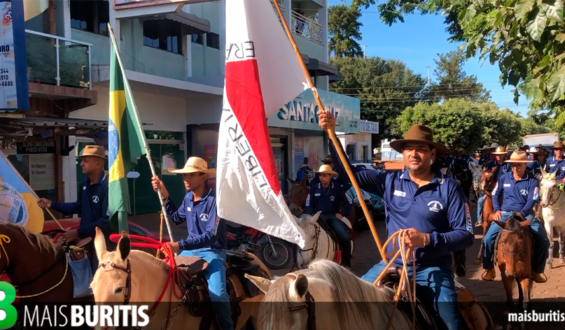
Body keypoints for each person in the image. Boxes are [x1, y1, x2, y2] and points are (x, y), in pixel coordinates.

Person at [319, 111, 473, 330]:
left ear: (432, 154)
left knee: (450, 326)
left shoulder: (448, 188)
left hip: (432, 269)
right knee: (349, 306)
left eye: (420, 149)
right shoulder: (388, 182)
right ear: (403, 153)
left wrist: (428, 239)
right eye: (409, 148)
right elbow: (347, 173)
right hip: (391, 263)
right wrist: (331, 133)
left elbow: (465, 235)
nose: (414, 154)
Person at [151, 156, 233, 330]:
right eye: (184, 176)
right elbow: (175, 217)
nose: (186, 179)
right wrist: (164, 193)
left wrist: (180, 245)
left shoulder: (216, 201)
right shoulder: (188, 198)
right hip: (190, 252)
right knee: (164, 278)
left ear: (203, 177)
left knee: (218, 295)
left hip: (213, 252)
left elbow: (211, 235)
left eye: (191, 175)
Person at [38, 145, 110, 270]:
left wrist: (77, 232)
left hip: (103, 246)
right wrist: (52, 204)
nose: (81, 164)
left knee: (98, 280)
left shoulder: (108, 185)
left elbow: (106, 221)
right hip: (85, 243)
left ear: (98, 163)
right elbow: (78, 207)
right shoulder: (85, 182)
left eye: (85, 161)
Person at [481, 151, 550, 283]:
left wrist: (522, 213)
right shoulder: (504, 178)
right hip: (505, 213)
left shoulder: (533, 181)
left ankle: (537, 271)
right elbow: (495, 194)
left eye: (518, 165)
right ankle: (489, 268)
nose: (515, 168)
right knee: (488, 238)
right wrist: (496, 210)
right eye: (513, 165)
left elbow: (532, 200)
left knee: (544, 241)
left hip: (525, 214)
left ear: (525, 165)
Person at [305, 164, 353, 268]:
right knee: (304, 235)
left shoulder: (337, 188)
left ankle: (346, 263)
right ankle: (298, 262)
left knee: (345, 237)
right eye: (320, 175)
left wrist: (343, 213)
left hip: (332, 217)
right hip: (317, 217)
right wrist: (312, 215)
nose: (322, 178)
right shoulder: (313, 188)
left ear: (330, 176)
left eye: (325, 175)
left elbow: (349, 201)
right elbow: (308, 203)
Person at [476, 146, 511, 227]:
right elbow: (485, 175)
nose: (498, 156)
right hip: (491, 188)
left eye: (500, 155)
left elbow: (510, 177)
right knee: (480, 201)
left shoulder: (508, 165)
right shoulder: (491, 164)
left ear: (503, 155)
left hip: (504, 189)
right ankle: (479, 220)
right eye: (497, 155)